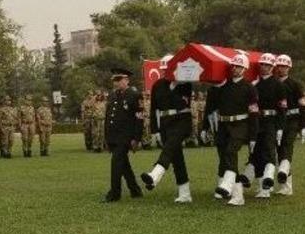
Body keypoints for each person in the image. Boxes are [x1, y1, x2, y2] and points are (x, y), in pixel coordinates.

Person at [202, 54, 259, 206]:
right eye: (233, 66)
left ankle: (229, 186)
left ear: (245, 69)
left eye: (239, 67)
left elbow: (254, 113)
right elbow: (211, 107)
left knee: (230, 152)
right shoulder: (224, 87)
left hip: (241, 125)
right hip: (223, 126)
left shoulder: (249, 88)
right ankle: (237, 194)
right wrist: (205, 127)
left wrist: (253, 136)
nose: (235, 69)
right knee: (225, 157)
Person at [140, 55, 194, 203]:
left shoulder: (185, 84)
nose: (165, 72)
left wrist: (175, 84)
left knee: (169, 149)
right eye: (163, 69)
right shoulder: (157, 85)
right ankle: (185, 194)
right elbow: (153, 110)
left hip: (181, 121)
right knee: (177, 159)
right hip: (165, 124)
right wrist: (155, 130)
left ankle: (155, 174)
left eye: (168, 69)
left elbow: (182, 103)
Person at [237, 52, 286, 198]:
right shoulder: (254, 84)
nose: (264, 67)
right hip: (257, 122)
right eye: (262, 64)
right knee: (255, 153)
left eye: (267, 65)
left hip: (270, 122)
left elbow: (282, 108)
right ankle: (260, 186)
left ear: (272, 67)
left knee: (269, 152)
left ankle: (268, 182)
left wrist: (280, 127)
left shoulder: (278, 85)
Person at [102, 68, 144, 203]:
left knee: (116, 163)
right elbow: (109, 117)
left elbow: (139, 118)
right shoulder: (113, 95)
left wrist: (136, 138)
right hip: (113, 136)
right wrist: (107, 137)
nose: (116, 83)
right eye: (115, 80)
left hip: (125, 137)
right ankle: (135, 190)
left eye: (118, 80)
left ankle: (115, 193)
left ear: (127, 80)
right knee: (124, 165)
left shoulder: (134, 95)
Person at [274, 54, 305, 196]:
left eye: (284, 66)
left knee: (287, 147)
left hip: (292, 120)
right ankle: (286, 186)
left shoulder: (295, 84)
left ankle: (286, 184)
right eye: (279, 66)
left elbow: (303, 105)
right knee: (280, 151)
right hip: (278, 121)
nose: (281, 69)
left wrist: (304, 125)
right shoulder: (274, 83)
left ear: (289, 68)